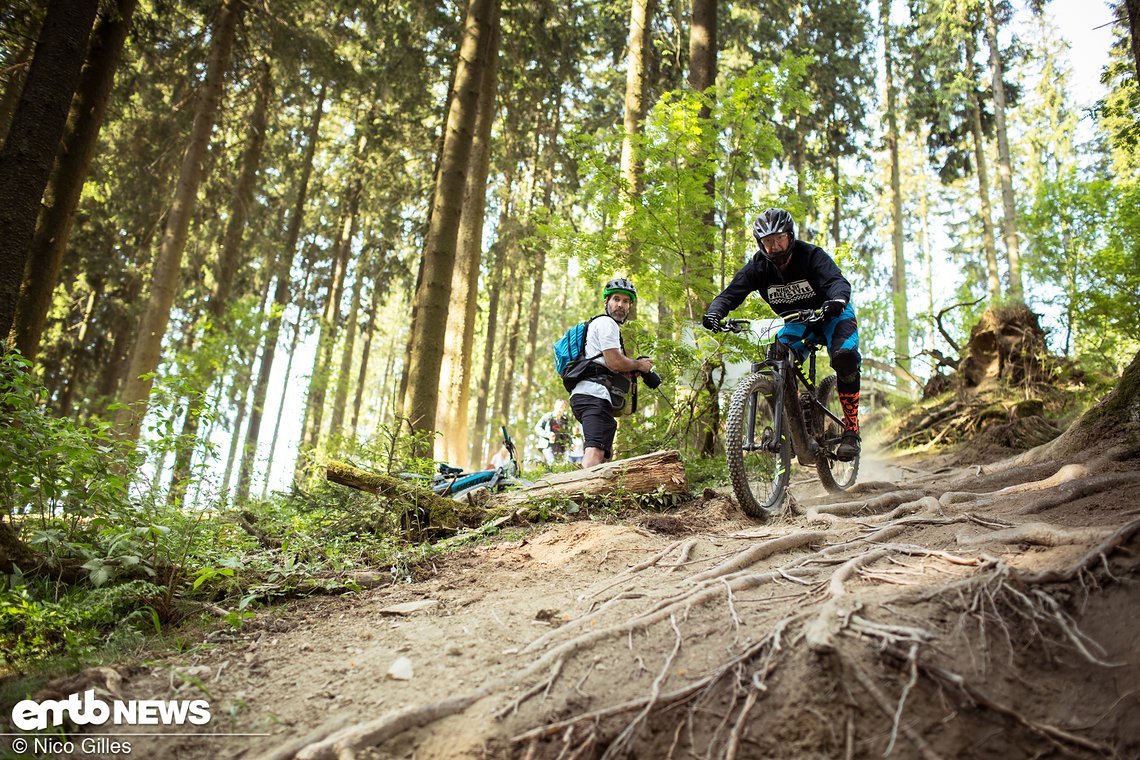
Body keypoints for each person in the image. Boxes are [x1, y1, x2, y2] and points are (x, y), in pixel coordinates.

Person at [702, 209, 862, 461]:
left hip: (832, 314)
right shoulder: (757, 267)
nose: (774, 246)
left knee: (845, 357)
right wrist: (714, 313)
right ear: (760, 244)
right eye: (767, 241)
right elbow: (730, 294)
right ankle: (795, 423)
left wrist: (838, 300)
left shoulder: (811, 255)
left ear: (790, 236)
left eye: (779, 239)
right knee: (776, 359)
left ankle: (851, 428)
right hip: (797, 322)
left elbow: (836, 281)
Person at [567, 278, 654, 469]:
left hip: (592, 395)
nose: (620, 305)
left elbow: (612, 366)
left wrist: (631, 369)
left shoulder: (603, 325)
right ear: (606, 302)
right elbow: (614, 361)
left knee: (603, 453)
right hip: (592, 394)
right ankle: (581, 494)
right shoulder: (607, 323)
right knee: (595, 451)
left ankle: (589, 492)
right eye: (616, 299)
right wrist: (638, 365)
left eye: (626, 301)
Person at [535, 399, 571, 466]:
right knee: (552, 463)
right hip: (548, 445)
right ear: (555, 406)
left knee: (559, 465)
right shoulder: (548, 416)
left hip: (560, 447)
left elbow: (567, 433)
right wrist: (547, 434)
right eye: (559, 406)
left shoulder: (564, 420)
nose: (561, 408)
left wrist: (570, 443)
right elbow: (537, 428)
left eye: (563, 407)